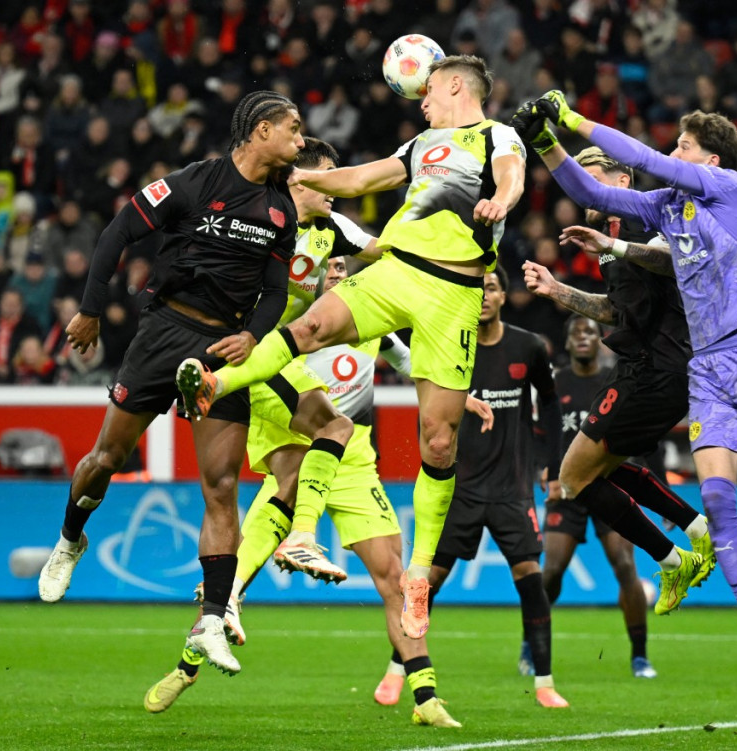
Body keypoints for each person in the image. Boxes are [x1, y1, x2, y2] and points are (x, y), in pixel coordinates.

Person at [511, 92, 737, 686]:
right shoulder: (665, 207)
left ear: (710, 160)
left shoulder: (728, 189)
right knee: (718, 503)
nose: (674, 153)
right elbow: (594, 192)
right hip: (706, 368)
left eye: (684, 145)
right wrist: (546, 143)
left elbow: (644, 159)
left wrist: (570, 118)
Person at [176, 55, 526, 640]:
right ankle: (215, 383)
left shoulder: (497, 136)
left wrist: (503, 201)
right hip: (398, 271)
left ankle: (419, 574)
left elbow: (512, 175)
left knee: (439, 442)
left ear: (456, 86)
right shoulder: (420, 145)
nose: (421, 101)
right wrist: (300, 176)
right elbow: (361, 180)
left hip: (454, 295)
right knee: (310, 327)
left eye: (428, 91)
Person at [145, 257, 490, 729]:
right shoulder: (296, 325)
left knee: (395, 577)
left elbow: (412, 362)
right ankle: (186, 666)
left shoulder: (375, 326)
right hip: (299, 456)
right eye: (330, 267)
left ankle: (425, 697)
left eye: (345, 267)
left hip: (354, 466)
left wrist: (458, 396)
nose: (337, 273)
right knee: (229, 586)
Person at [37, 91, 305, 679]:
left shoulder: (282, 210)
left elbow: (276, 292)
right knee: (107, 458)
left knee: (222, 485)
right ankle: (71, 538)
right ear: (261, 130)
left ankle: (211, 620)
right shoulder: (192, 182)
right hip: (164, 334)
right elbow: (117, 232)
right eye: (292, 127)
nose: (301, 138)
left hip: (221, 351)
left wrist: (253, 336)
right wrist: (90, 308)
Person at [521, 145, 715, 619]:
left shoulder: (643, 219)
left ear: (622, 181)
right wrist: (557, 290)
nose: (583, 192)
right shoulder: (609, 238)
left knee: (573, 478)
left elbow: (673, 260)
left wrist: (612, 247)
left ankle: (676, 560)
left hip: (661, 366)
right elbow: (615, 311)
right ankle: (695, 531)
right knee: (592, 471)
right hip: (642, 365)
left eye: (591, 180)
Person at [373, 267, 568, 708]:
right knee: (426, 587)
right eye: (477, 288)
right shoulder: (448, 347)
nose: (483, 295)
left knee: (531, 581)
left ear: (503, 297)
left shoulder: (528, 347)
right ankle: (396, 671)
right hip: (457, 488)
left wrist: (552, 465)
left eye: (491, 288)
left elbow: (550, 404)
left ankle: (545, 684)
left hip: (512, 488)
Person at [541, 315, 666, 679]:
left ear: (601, 340)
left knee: (625, 565)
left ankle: (640, 656)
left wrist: (662, 491)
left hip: (611, 484)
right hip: (567, 490)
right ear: (567, 343)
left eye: (590, 331)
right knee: (551, 571)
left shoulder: (619, 381)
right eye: (575, 332)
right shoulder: (554, 384)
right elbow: (540, 434)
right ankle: (532, 642)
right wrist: (544, 470)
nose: (583, 337)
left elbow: (646, 436)